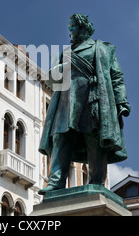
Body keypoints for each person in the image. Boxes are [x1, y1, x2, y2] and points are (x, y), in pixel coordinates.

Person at [38, 14, 131, 195]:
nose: (70, 31)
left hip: (93, 99)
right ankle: (55, 182)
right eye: (69, 27)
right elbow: (50, 80)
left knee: (94, 139)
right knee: (60, 139)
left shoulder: (102, 48)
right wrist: (60, 70)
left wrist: (122, 101)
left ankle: (96, 182)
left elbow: (116, 77)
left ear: (83, 28)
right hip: (66, 103)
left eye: (72, 27)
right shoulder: (63, 54)